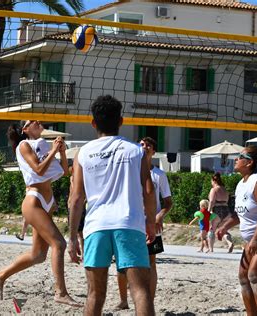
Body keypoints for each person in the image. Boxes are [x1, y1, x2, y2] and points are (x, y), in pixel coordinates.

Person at [68, 95, 157, 315]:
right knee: (141, 291)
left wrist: (71, 237)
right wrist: (151, 223)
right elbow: (149, 190)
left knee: (95, 295)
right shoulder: (136, 151)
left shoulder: (83, 153)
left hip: (96, 226)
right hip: (129, 223)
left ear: (93, 123)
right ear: (121, 121)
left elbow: (76, 199)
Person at [0, 120, 81, 307]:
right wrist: (54, 151)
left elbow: (64, 171)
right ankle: (61, 293)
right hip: (34, 199)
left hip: (47, 202)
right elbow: (39, 170)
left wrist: (62, 152)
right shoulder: (24, 145)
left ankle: (2, 274)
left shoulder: (42, 145)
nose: (38, 122)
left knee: (38, 255)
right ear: (25, 129)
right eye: (32, 122)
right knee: (59, 243)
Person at [116, 136, 173, 310]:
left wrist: (160, 215)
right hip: (129, 221)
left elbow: (168, 202)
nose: (144, 146)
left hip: (151, 223)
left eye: (148, 144)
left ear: (154, 151)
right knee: (122, 264)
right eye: (141, 144)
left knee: (151, 263)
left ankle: (150, 300)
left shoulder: (159, 175)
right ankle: (123, 300)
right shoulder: (129, 170)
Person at [217, 145, 257, 315]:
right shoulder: (241, 184)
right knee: (243, 278)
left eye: (240, 156)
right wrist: (224, 227)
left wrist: (256, 239)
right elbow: (238, 215)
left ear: (250, 163)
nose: (236, 159)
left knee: (254, 276)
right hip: (250, 240)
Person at [208, 172, 234, 253]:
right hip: (226, 210)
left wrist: (208, 211)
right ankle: (230, 243)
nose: (211, 183)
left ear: (214, 181)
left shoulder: (214, 189)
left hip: (217, 210)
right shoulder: (224, 189)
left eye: (211, 181)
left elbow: (212, 201)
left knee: (211, 229)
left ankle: (211, 249)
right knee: (223, 229)